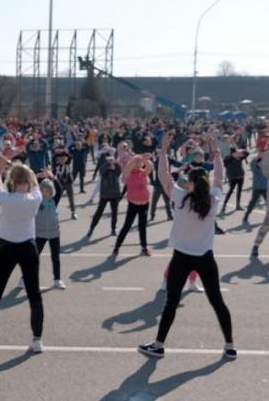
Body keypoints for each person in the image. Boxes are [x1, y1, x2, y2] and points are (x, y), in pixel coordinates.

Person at [139, 134, 235, 360]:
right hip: (205, 257)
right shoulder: (213, 199)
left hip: (182, 257)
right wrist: (217, 153)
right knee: (217, 301)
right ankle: (230, 345)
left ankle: (159, 345)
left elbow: (163, 177)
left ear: (190, 183)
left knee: (171, 302)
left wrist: (163, 151)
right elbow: (220, 179)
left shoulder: (181, 198)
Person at [0, 151, 45, 354]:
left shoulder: (5, 197)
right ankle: (37, 340)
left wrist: (3, 163)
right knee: (34, 294)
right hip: (28, 248)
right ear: (29, 180)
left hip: (6, 248)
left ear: (12, 180)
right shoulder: (35, 197)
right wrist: (23, 169)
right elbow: (33, 183)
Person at [113, 154, 153, 257]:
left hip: (144, 203)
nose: (140, 164)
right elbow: (127, 166)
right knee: (127, 226)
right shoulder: (128, 174)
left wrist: (144, 159)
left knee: (142, 226)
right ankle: (117, 247)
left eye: (141, 163)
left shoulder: (143, 173)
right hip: (133, 204)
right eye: (138, 162)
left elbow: (150, 167)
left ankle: (144, 248)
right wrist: (136, 158)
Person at [32, 177, 65, 290]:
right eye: (43, 191)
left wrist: (53, 177)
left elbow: (60, 189)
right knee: (34, 257)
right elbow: (31, 188)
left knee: (55, 257)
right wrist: (36, 177)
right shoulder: (36, 202)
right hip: (40, 234)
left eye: (48, 191)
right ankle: (25, 278)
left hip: (54, 234)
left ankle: (57, 279)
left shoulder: (54, 201)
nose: (45, 193)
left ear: (51, 191)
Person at [86, 151, 122, 239]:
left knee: (114, 213)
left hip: (115, 193)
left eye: (112, 159)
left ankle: (113, 229)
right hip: (105, 194)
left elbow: (119, 171)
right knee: (99, 212)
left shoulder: (116, 167)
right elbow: (101, 171)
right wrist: (107, 163)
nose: (110, 160)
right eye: (109, 159)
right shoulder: (104, 166)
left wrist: (115, 163)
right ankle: (91, 228)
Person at [243, 147, 267, 224]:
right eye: (261, 153)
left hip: (266, 186)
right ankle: (246, 215)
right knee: (253, 202)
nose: (262, 154)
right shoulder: (254, 161)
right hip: (257, 186)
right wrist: (258, 161)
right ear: (259, 153)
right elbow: (254, 169)